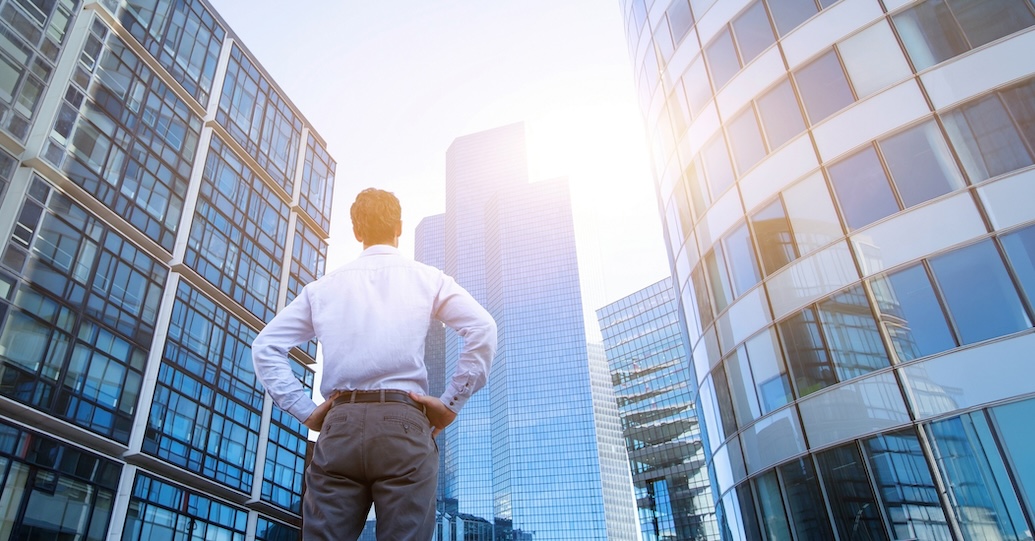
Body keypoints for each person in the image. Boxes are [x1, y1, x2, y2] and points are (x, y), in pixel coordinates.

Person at [252, 188, 496, 540]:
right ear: (399, 227)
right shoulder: (428, 278)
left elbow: (265, 347)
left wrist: (306, 410)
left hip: (340, 426)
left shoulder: (322, 289)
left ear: (357, 232)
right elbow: (482, 328)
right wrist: (449, 404)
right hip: (405, 425)